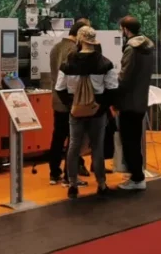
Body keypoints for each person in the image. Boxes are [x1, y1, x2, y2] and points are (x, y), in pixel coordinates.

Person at [54, 26, 117, 199]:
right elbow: (112, 89)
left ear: (80, 40)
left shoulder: (67, 63)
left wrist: (71, 106)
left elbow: (59, 88)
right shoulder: (105, 63)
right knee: (97, 146)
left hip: (76, 110)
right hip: (97, 111)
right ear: (94, 41)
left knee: (74, 146)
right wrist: (101, 107)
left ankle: (72, 185)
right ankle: (101, 184)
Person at [47, 18, 91, 186]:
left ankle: (54, 173)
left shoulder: (56, 47)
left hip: (57, 99)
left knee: (58, 137)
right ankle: (69, 175)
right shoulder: (75, 51)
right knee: (74, 140)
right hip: (71, 101)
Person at [116, 16, 156, 191]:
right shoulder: (148, 48)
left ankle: (136, 177)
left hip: (128, 102)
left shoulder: (131, 49)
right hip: (141, 101)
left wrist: (115, 95)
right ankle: (137, 175)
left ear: (125, 29)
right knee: (135, 140)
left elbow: (124, 78)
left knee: (129, 141)